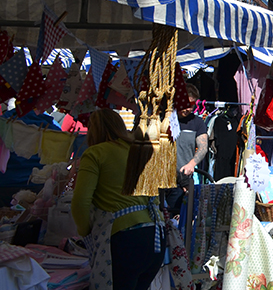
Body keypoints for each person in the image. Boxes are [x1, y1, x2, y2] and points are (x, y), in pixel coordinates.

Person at [71, 108, 164, 290]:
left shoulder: (95, 153)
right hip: (155, 236)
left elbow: (80, 201)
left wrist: (85, 232)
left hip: (125, 239)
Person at [167, 86, 207, 212]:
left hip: (181, 182)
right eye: (186, 104)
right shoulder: (166, 119)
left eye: (192, 104)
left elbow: (203, 147)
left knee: (176, 219)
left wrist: (192, 164)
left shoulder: (197, 122)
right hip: (160, 179)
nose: (189, 108)